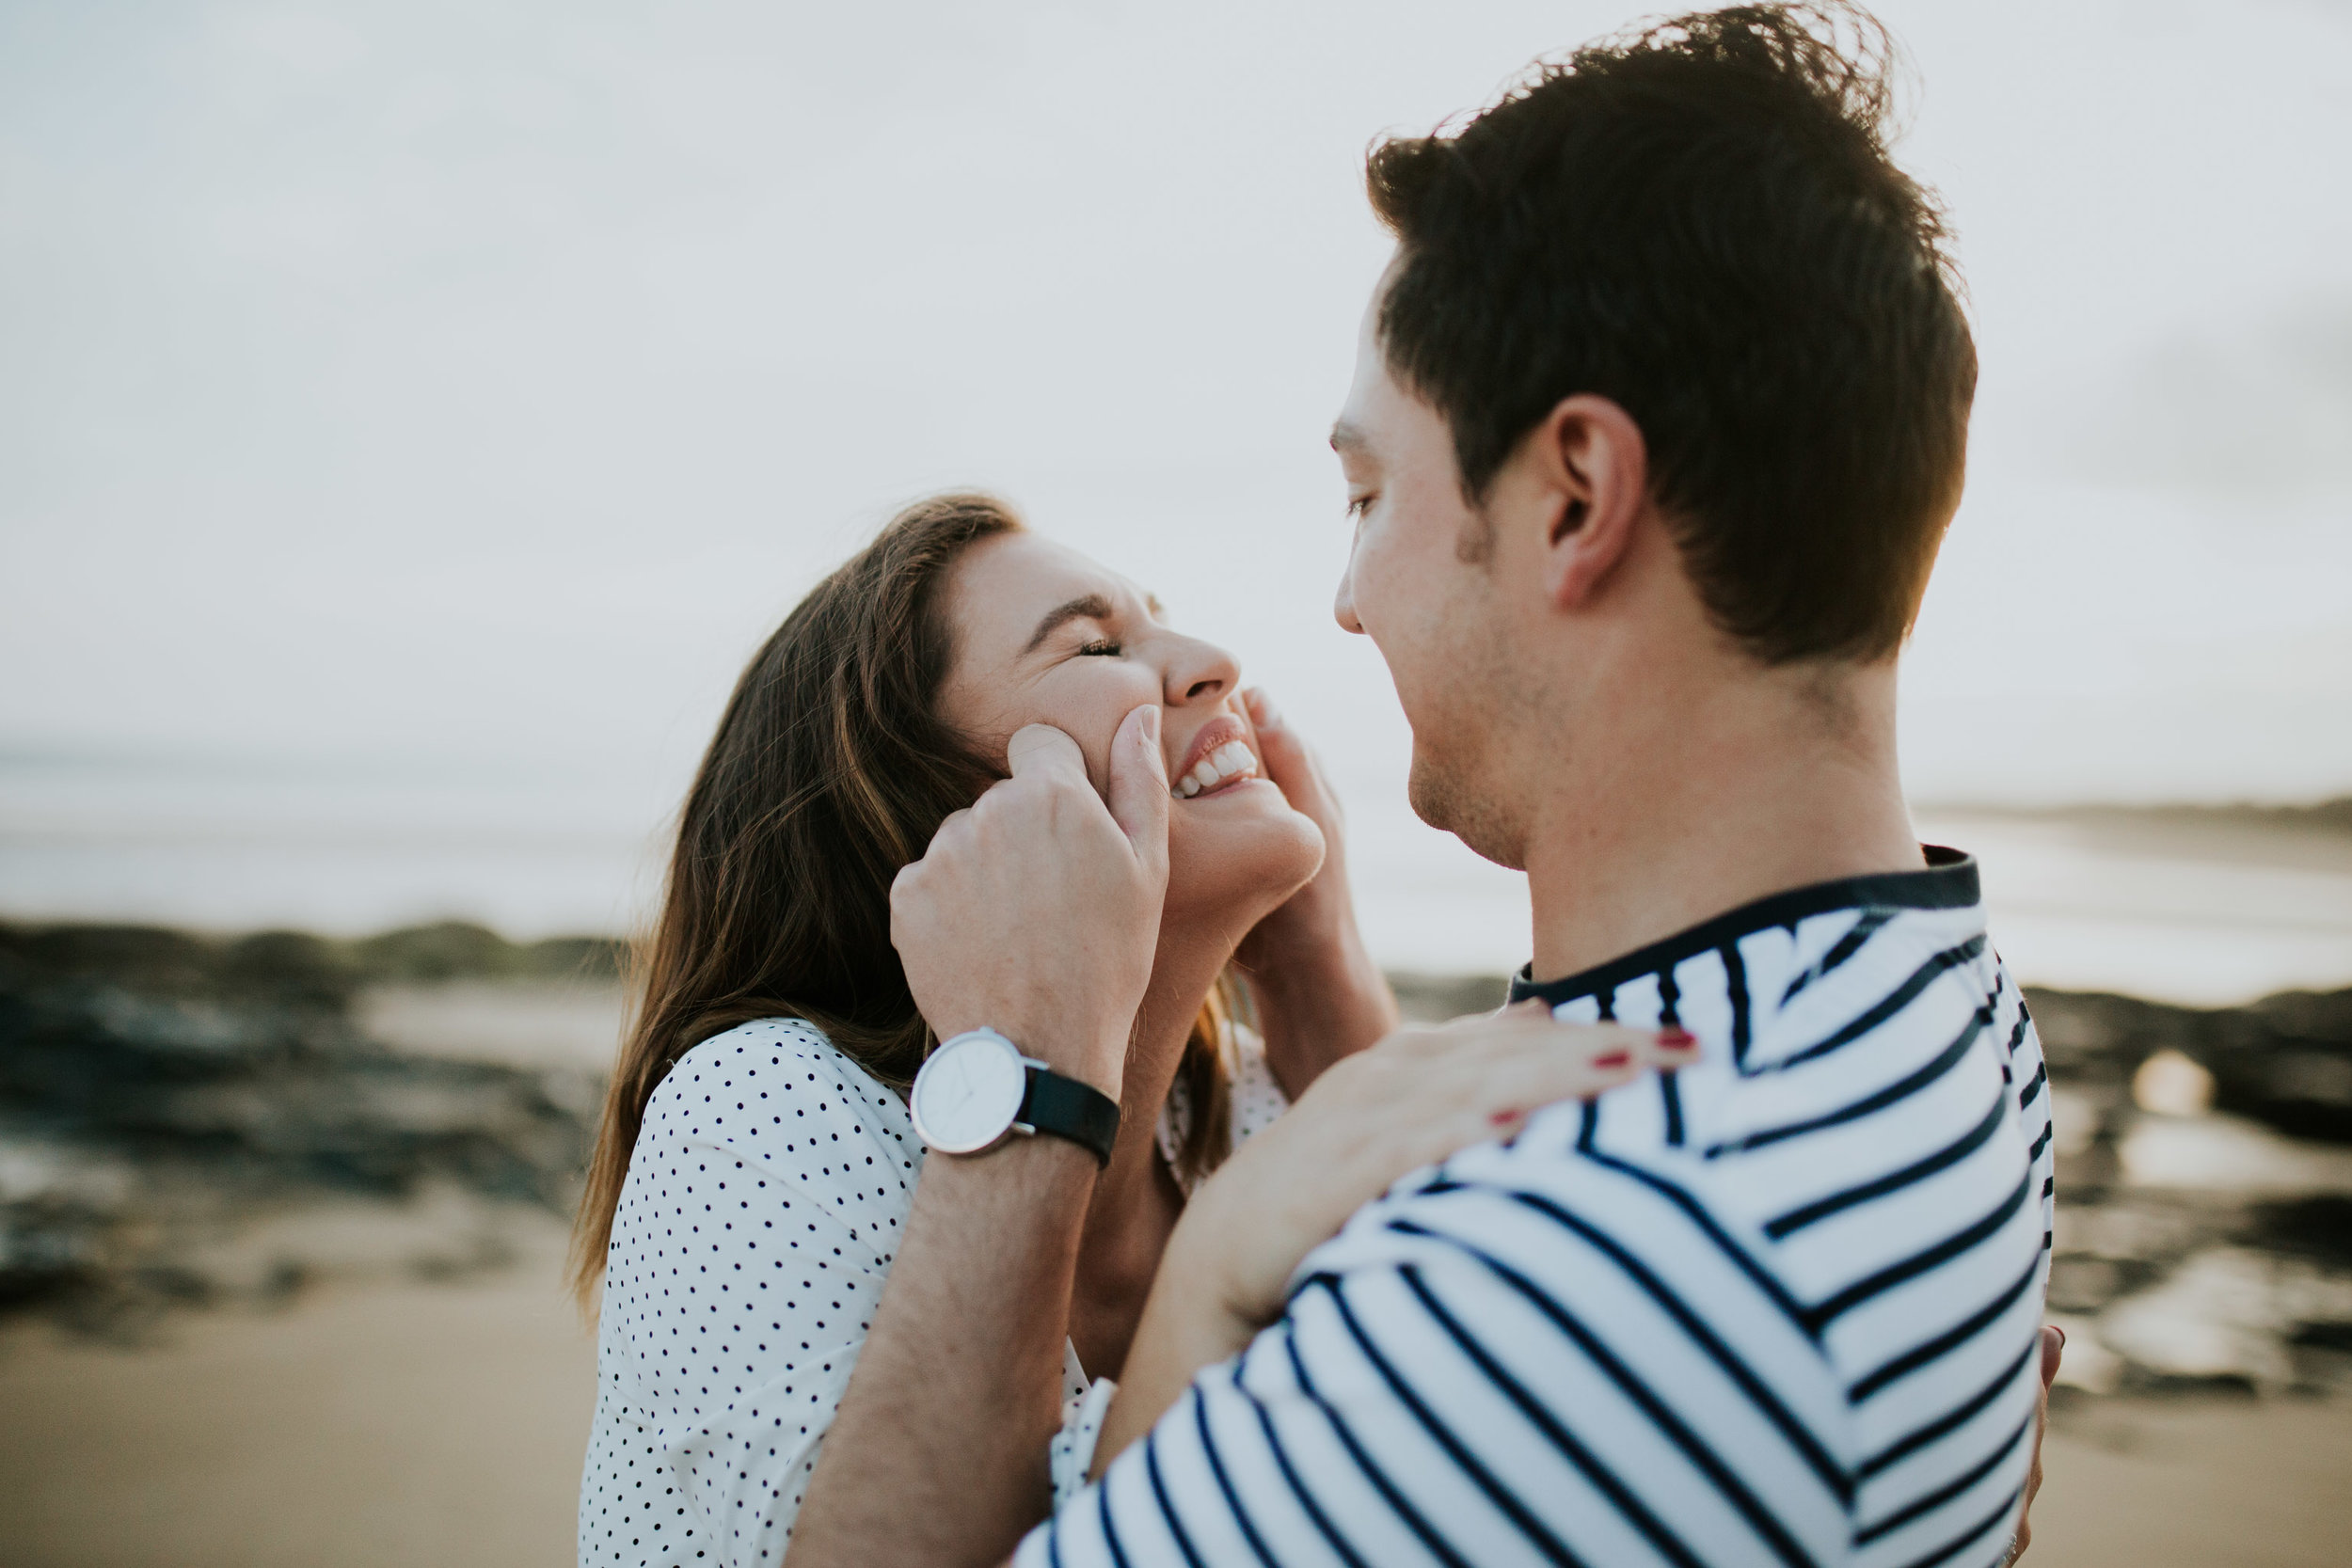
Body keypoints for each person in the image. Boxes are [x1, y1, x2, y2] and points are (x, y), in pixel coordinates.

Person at [790, 6, 2065, 1567]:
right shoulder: (1945, 1011)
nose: (1345, 602)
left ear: (1576, 495)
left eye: (1369, 491)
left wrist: (1196, 1286)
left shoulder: (1558, 1294)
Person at [570, 494, 1685, 1567]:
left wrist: (1316, 969)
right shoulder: (764, 1108)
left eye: (1158, 617)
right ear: (951, 823)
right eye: (1095, 649)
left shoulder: (1246, 1100)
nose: (1211, 659)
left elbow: (1458, 1409)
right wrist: (1031, 1059)